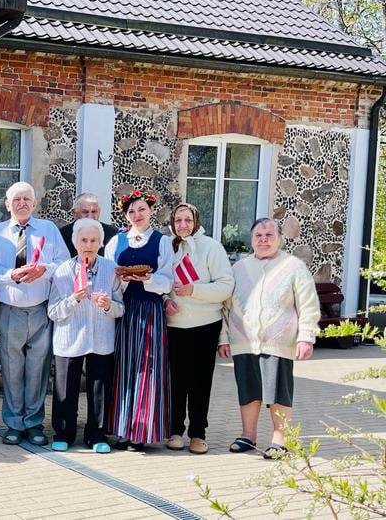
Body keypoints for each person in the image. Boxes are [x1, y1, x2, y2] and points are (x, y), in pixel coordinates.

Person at [221, 218, 318, 459]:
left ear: (279, 238)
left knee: (278, 391)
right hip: (244, 341)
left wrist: (306, 337)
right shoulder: (238, 268)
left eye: (269, 235)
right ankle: (248, 434)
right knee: (248, 389)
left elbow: (308, 305)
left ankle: (279, 439)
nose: (263, 240)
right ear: (252, 239)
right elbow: (225, 306)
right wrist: (223, 338)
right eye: (258, 236)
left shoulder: (294, 266)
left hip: (279, 342)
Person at [0, 182, 69, 446]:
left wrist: (44, 268)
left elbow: (65, 263)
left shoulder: (49, 230)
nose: (22, 203)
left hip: (40, 309)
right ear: (7, 204)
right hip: (10, 309)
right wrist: (10, 274)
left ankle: (33, 423)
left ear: (34, 204)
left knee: (37, 369)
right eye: (16, 199)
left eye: (27, 199)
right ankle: (13, 424)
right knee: (12, 369)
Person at [103, 189, 174, 451]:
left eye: (141, 209)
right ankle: (122, 429)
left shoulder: (161, 242)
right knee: (124, 366)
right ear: (125, 215)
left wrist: (149, 280)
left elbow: (168, 280)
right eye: (131, 211)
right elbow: (109, 276)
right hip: (124, 308)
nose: (137, 214)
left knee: (148, 367)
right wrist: (122, 279)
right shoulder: (116, 241)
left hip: (150, 310)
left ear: (151, 210)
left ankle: (141, 431)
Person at [48, 218, 123, 453]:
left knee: (99, 388)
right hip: (69, 339)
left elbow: (121, 308)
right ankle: (63, 432)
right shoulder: (62, 272)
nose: (88, 245)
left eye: (93, 240)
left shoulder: (111, 269)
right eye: (83, 240)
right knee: (66, 388)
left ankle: (96, 434)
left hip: (100, 339)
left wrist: (109, 305)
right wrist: (73, 299)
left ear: (101, 243)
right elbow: (52, 311)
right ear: (75, 242)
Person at [164, 203, 234, 455]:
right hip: (174, 326)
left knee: (200, 383)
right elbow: (161, 282)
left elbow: (226, 286)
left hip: (205, 326)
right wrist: (165, 301)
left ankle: (198, 433)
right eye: (178, 220)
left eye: (188, 220)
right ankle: (174, 430)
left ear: (196, 221)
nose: (183, 225)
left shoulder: (211, 248)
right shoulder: (167, 247)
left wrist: (195, 290)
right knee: (175, 382)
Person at [60, 192, 119, 257]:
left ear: (99, 212)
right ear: (74, 213)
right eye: (85, 212)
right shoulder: (62, 235)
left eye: (94, 212)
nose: (90, 216)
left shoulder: (112, 233)